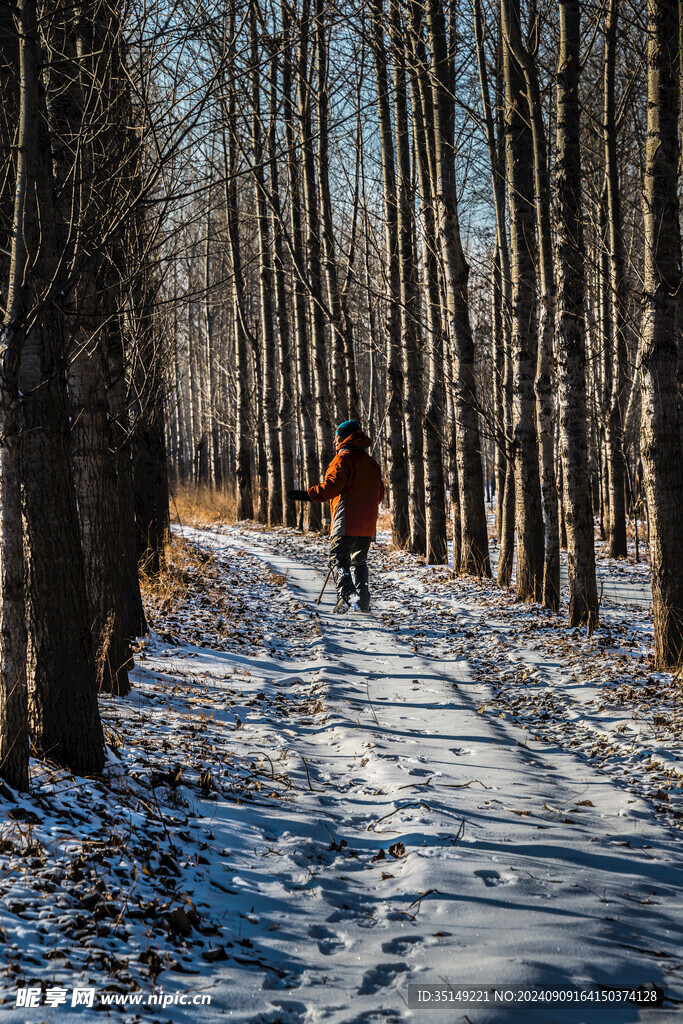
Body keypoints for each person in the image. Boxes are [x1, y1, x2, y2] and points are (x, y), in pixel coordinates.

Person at [287, 419, 384, 613]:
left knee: (338, 559)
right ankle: (363, 601)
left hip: (346, 520)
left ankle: (347, 595)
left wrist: (307, 495)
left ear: (345, 437)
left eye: (337, 436)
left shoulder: (343, 458)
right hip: (367, 525)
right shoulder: (372, 463)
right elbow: (380, 494)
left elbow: (332, 486)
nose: (335, 441)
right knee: (359, 561)